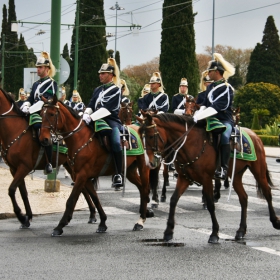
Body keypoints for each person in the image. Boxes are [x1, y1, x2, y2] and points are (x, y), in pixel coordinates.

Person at [82, 58, 123, 188]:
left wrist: (91, 117)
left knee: (116, 142)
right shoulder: (97, 90)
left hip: (111, 120)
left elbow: (107, 109)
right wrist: (85, 114)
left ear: (111, 75)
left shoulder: (116, 89)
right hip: (95, 119)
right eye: (100, 73)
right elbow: (91, 104)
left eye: (103, 73)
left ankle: (118, 174)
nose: (100, 75)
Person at [196, 53, 235, 180]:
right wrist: (197, 115)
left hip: (224, 120)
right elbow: (205, 104)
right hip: (210, 119)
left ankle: (224, 168)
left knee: (224, 136)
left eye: (210, 71)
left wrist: (201, 115)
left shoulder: (227, 88)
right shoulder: (211, 86)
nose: (208, 74)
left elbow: (219, 106)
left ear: (217, 72)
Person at [20, 51, 57, 174]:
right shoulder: (36, 84)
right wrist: (26, 104)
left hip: (44, 113)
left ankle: (48, 162)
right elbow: (31, 98)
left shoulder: (52, 83)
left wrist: (30, 109)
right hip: (33, 111)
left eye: (40, 67)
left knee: (42, 131)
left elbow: (46, 101)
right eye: (37, 67)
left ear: (47, 68)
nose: (38, 70)